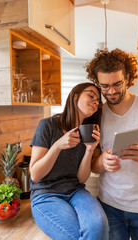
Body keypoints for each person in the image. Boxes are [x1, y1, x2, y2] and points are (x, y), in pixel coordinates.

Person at [85, 48, 138, 240]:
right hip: (110, 206)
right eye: (104, 86)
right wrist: (102, 162)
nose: (111, 91)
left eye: (117, 84)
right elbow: (93, 165)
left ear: (128, 78)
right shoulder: (96, 114)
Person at [29, 82, 109, 240]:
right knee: (78, 235)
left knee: (99, 227)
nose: (95, 101)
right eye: (91, 95)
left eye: (98, 100)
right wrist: (57, 146)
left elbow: (80, 179)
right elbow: (35, 175)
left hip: (75, 191)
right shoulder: (48, 125)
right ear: (74, 96)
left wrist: (90, 149)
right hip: (46, 194)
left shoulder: (88, 131)